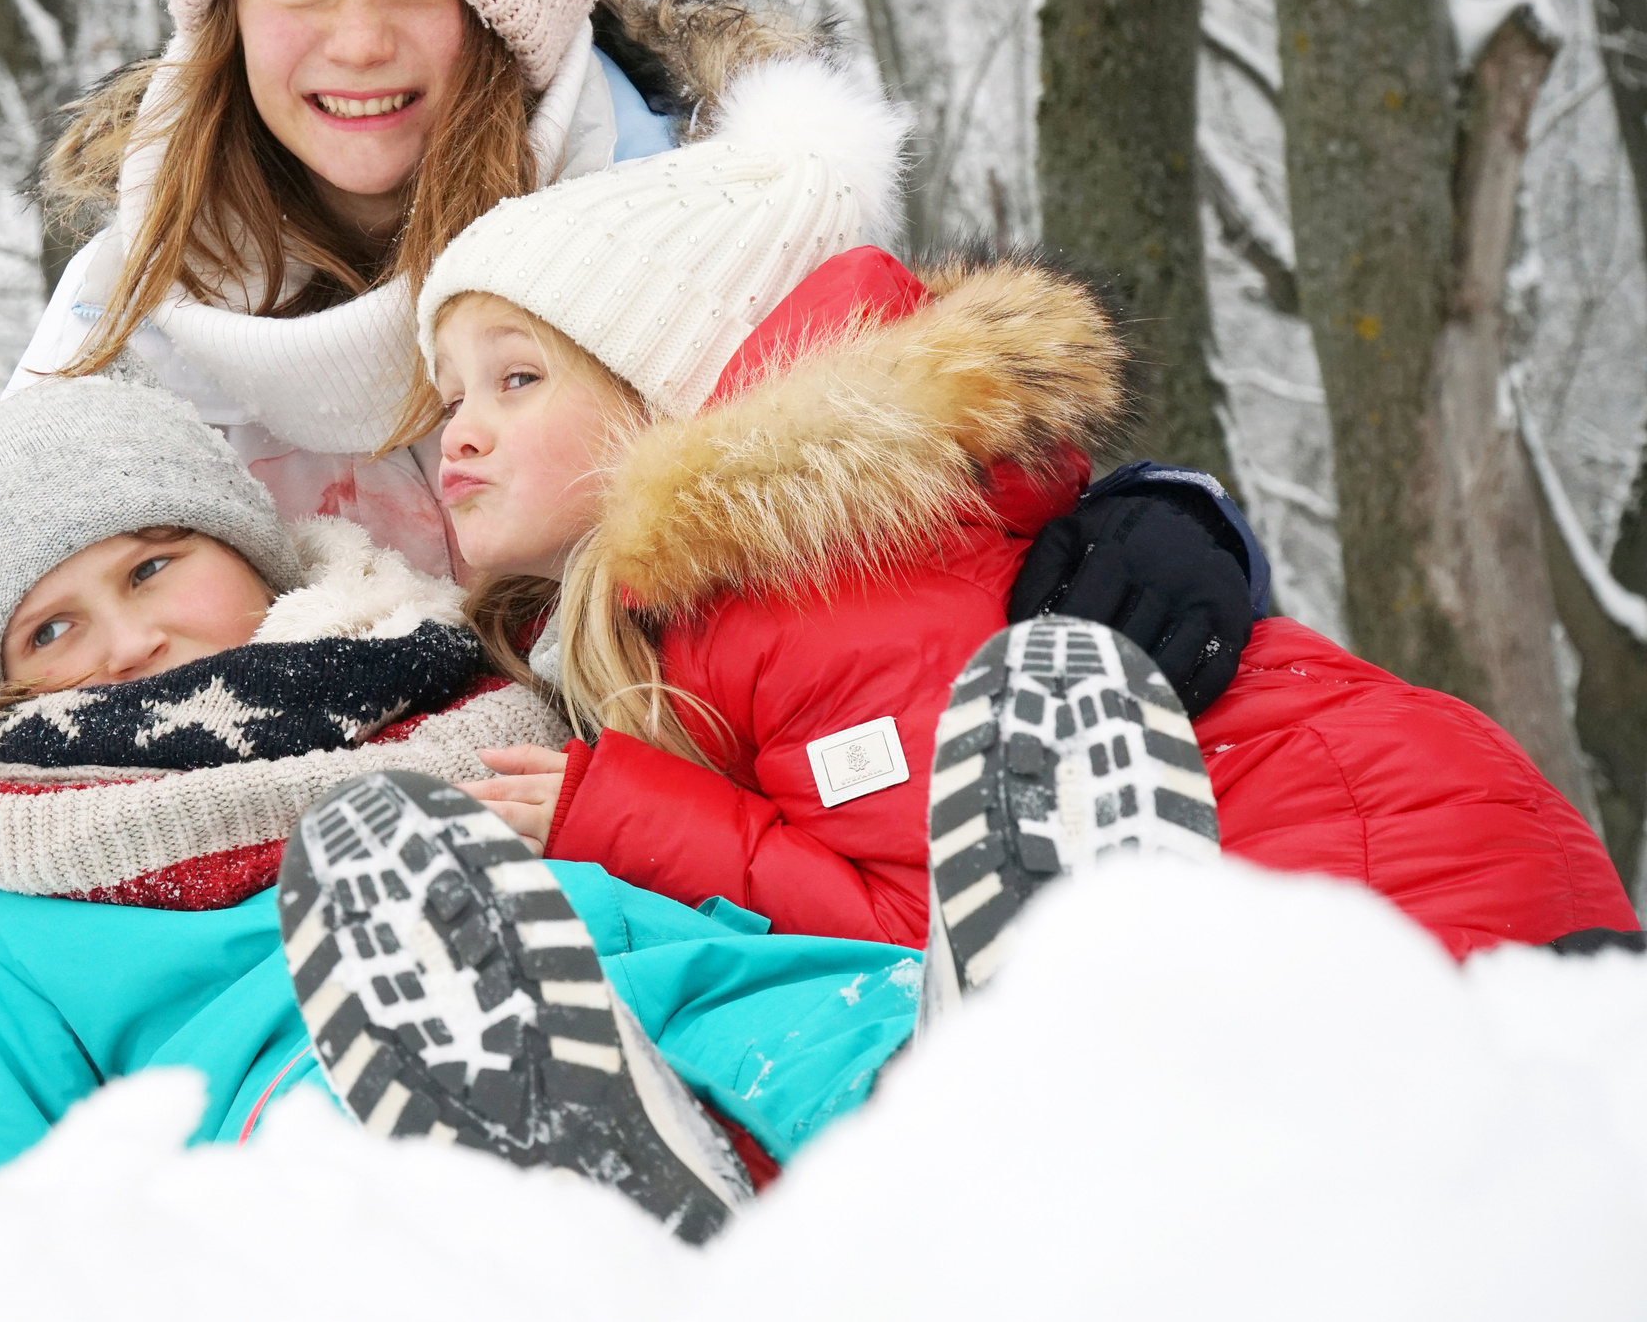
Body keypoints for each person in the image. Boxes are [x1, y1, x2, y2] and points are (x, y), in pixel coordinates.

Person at [0, 0, 1262, 1180]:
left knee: (1021, 671)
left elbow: (894, 424)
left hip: (634, 753)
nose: (358, 40)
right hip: (279, 867)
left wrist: (1165, 514)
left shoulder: (661, 224)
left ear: (505, 6)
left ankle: (972, 1045)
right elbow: (26, 585)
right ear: (228, 13)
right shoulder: (134, 301)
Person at [407, 94, 1641, 964]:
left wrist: (627, 819)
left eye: (517, 381)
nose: (459, 432)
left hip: (1392, 881)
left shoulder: (821, 592)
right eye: (448, 394)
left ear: (663, 396)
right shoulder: (727, 606)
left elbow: (960, 928)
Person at [0, 377, 924, 1242]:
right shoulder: (11, 921)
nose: (124, 642)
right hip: (313, 1159)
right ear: (2, 695)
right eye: (50, 632)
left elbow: (694, 888)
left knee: (825, 1025)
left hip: (667, 995)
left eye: (152, 568)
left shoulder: (475, 702)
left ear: (251, 552)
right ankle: (561, 1194)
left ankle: (976, 1063)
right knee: (350, 1113)